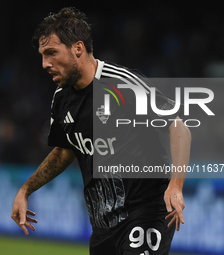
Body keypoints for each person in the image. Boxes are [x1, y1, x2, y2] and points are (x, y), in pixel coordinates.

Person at [11, 7, 191, 255]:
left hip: (146, 213)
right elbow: (64, 152)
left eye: (51, 53)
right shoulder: (61, 99)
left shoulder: (122, 84)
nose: (45, 64)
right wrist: (26, 189)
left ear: (78, 48)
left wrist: (176, 184)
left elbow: (178, 126)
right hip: (104, 227)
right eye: (42, 56)